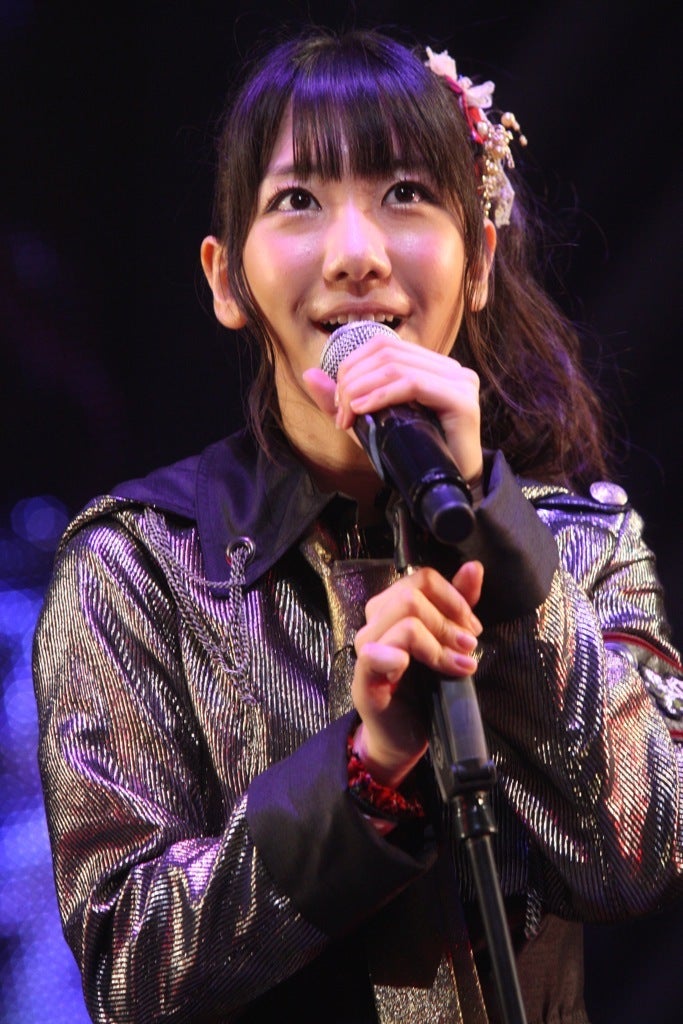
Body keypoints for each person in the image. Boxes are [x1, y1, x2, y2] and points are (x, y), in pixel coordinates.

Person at [32, 27, 683, 1024]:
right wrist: (363, 775)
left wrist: (503, 560)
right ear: (224, 279)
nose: (355, 256)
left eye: (405, 193)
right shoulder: (136, 568)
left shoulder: (580, 545)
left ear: (477, 262)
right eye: (297, 200)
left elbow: (644, 851)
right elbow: (130, 969)